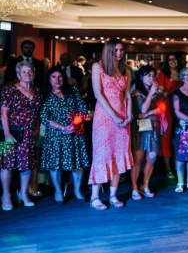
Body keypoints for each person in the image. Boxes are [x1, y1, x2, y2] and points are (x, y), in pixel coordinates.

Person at [88, 38, 134, 210]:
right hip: (104, 117)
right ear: (108, 51)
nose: (119, 54)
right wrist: (114, 116)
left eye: (122, 50)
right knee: (102, 155)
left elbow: (128, 93)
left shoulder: (125, 69)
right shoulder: (97, 67)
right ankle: (95, 197)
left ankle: (113, 195)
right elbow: (98, 94)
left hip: (123, 116)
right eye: (116, 50)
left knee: (119, 154)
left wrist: (129, 114)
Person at [40, 66, 89, 202]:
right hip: (55, 135)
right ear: (49, 80)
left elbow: (83, 110)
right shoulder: (45, 94)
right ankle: (58, 192)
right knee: (56, 164)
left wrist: (73, 124)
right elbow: (44, 117)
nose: (57, 79)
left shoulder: (72, 91)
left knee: (77, 163)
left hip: (75, 132)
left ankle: (78, 190)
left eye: (60, 76)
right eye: (54, 77)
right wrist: (62, 128)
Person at [0, 61, 42, 210]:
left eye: (30, 71)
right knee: (7, 165)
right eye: (24, 72)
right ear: (18, 75)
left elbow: (37, 114)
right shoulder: (9, 90)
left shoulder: (36, 91)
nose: (27, 74)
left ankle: (23, 194)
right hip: (11, 132)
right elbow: (3, 114)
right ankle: (6, 195)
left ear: (34, 74)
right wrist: (7, 134)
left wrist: (36, 131)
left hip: (29, 134)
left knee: (27, 164)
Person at [130, 65, 163, 199]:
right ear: (141, 77)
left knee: (152, 158)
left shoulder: (157, 91)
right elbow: (141, 110)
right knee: (138, 159)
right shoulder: (137, 92)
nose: (151, 78)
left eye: (153, 75)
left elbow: (162, 108)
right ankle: (134, 188)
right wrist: (150, 95)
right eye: (148, 75)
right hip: (141, 127)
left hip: (154, 126)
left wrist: (150, 112)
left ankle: (145, 185)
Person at [156, 53, 184, 179]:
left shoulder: (184, 73)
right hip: (167, 109)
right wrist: (176, 89)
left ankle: (181, 165)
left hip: (183, 108)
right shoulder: (163, 75)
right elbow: (161, 95)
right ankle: (168, 168)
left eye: (175, 59)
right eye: (170, 59)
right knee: (166, 139)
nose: (172, 61)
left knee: (181, 137)